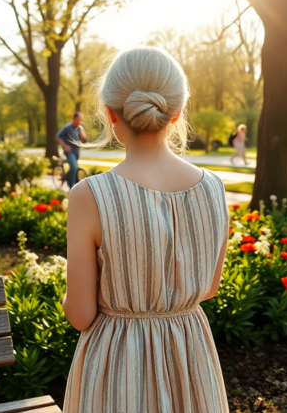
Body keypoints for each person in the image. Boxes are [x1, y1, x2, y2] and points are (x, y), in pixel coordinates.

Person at [63, 46, 229, 412]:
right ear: (177, 114)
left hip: (118, 367)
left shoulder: (91, 195)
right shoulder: (214, 188)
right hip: (191, 359)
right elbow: (210, 288)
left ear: (109, 114)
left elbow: (80, 315)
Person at [56, 112, 87, 189]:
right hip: (69, 151)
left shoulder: (80, 128)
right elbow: (58, 137)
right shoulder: (67, 128)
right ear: (74, 119)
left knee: (75, 168)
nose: (80, 122)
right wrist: (65, 145)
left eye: (80, 120)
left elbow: (84, 141)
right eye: (78, 120)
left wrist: (82, 134)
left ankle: (68, 177)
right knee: (74, 167)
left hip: (77, 151)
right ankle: (71, 186)